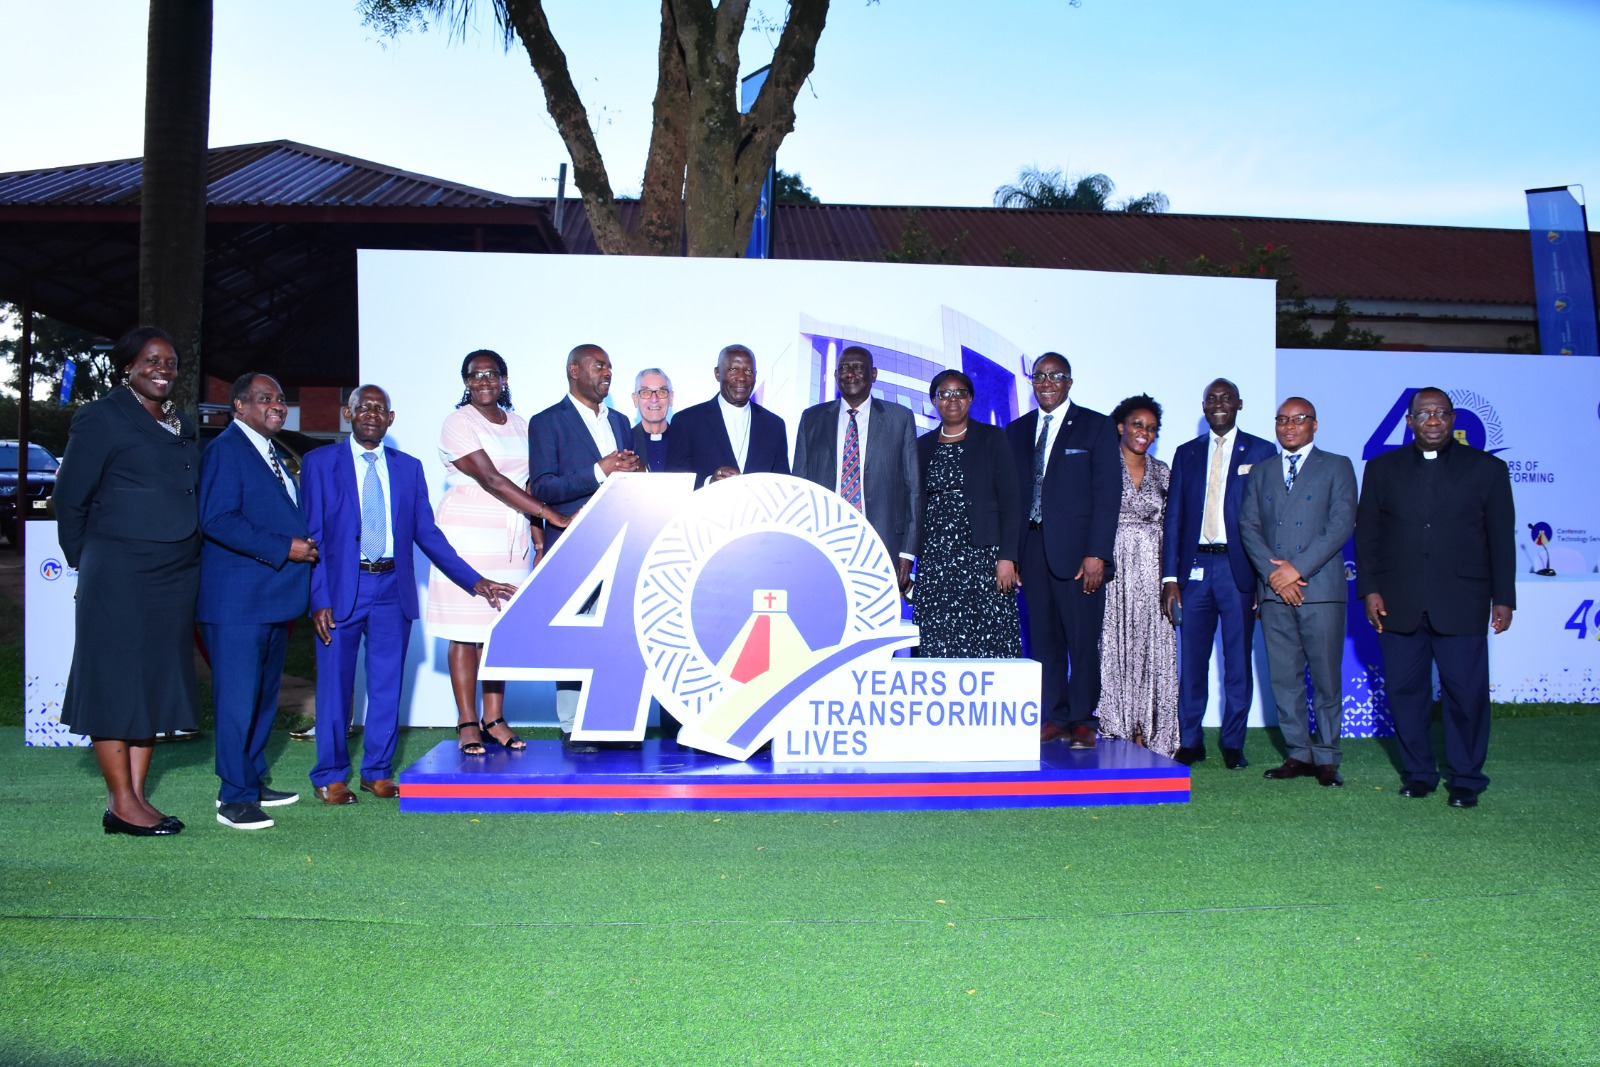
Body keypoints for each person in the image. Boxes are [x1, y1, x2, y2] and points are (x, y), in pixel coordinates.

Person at [303, 385, 519, 804]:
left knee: (387, 685)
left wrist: (476, 581)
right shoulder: (319, 463)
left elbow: (428, 535)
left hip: (390, 588)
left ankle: (377, 773)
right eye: (362, 407)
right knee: (335, 687)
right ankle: (330, 775)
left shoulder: (408, 468)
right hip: (341, 589)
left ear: (391, 419)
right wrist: (318, 598)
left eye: (379, 409)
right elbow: (313, 536)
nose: (371, 414)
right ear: (348, 416)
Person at [53, 326, 198, 836]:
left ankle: (137, 798)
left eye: (171, 361)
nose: (163, 369)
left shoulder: (181, 421)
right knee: (116, 683)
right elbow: (69, 500)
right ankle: (120, 802)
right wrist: (88, 563)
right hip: (118, 571)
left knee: (151, 683)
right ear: (128, 367)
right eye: (152, 360)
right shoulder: (100, 417)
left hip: (174, 574)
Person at [1355, 387, 1515, 809]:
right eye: (1424, 413)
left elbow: (1501, 539)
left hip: (1463, 599)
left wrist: (1505, 597)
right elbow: (1367, 535)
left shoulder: (1488, 470)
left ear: (1453, 420)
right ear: (1409, 422)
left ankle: (1466, 778)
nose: (1432, 420)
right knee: (1406, 694)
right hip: (1397, 601)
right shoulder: (1381, 468)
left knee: (1466, 693)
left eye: (1441, 413)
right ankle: (1419, 773)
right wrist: (1369, 589)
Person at [426, 350, 565, 757]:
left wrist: (538, 539)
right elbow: (490, 478)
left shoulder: (521, 425)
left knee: (497, 634)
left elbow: (532, 484)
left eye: (491, 373)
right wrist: (550, 515)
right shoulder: (458, 422)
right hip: (467, 537)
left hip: (511, 540)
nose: (483, 380)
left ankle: (494, 718)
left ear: (504, 379)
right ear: (465, 381)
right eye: (474, 375)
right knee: (464, 634)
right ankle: (467, 721)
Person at [199, 372, 319, 831]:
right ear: (239, 406)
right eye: (265, 398)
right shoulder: (226, 450)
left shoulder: (271, 452)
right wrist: (284, 547)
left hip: (271, 599)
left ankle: (250, 777)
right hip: (236, 602)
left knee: (263, 698)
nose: (276, 405)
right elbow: (217, 519)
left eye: (281, 399)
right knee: (236, 700)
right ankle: (233, 798)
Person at [1240, 397, 1358, 787]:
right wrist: (1275, 577)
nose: (1289, 427)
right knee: (1284, 678)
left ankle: (1326, 756)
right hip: (1274, 591)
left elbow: (1341, 524)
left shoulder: (1337, 466)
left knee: (1325, 677)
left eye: (1299, 419)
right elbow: (1248, 526)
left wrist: (1296, 570)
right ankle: (1297, 752)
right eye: (1282, 420)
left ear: (1315, 425)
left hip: (1319, 588)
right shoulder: (1262, 470)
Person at [1005, 353, 1120, 749]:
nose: (1047, 382)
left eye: (1055, 375)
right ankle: (1054, 716)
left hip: (1079, 554)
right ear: (1032, 382)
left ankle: (1083, 718)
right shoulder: (1016, 430)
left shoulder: (1096, 426)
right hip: (1032, 549)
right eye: (1039, 375)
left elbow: (1108, 496)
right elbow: (1011, 497)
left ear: (1069, 382)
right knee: (1043, 639)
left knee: (1082, 638)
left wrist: (1097, 553)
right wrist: (1011, 553)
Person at [528, 343, 641, 750]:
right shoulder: (547, 422)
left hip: (622, 542)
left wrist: (635, 470)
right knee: (577, 635)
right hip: (574, 545)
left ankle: (615, 720)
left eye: (610, 365)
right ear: (574, 371)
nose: (607, 371)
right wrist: (600, 470)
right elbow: (541, 486)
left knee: (619, 635)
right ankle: (574, 725)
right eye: (599, 365)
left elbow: (629, 478)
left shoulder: (623, 422)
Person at [1160, 378, 1277, 768]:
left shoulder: (1261, 451)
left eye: (1226, 398)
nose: (1219, 404)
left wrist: (1265, 577)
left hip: (1239, 569)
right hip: (1193, 569)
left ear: (1239, 404)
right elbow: (1173, 518)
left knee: (1237, 661)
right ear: (1204, 406)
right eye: (1212, 399)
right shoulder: (1187, 453)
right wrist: (1170, 578)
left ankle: (1233, 742)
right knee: (1191, 661)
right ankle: (1190, 740)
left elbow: (1269, 519)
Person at [793, 346, 921, 594]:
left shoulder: (900, 418)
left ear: (873, 374)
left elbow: (914, 489)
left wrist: (907, 552)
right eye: (843, 368)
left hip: (883, 544)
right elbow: (800, 486)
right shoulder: (811, 419)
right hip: (824, 541)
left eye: (858, 367)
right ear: (835, 375)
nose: (849, 373)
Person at [913, 370, 1021, 657]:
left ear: (970, 398)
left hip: (983, 555)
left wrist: (1007, 557)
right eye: (944, 393)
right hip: (937, 557)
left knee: (987, 635)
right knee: (938, 634)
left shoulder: (992, 438)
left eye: (960, 393)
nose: (952, 399)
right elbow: (913, 501)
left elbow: (1011, 500)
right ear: (934, 401)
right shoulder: (921, 446)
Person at [1097, 394, 1179, 757]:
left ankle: (1152, 729)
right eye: (1136, 425)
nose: (1143, 432)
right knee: (1113, 644)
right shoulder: (1102, 466)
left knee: (1153, 648)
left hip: (1153, 571)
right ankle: (1117, 726)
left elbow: (1172, 526)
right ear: (1120, 426)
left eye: (1150, 427)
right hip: (1112, 570)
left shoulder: (1163, 471)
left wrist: (1170, 578)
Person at [665, 344, 789, 484]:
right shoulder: (686, 421)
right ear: (717, 373)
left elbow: (782, 484)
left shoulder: (774, 425)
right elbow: (673, 484)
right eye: (733, 369)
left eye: (748, 371)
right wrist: (708, 483)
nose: (741, 377)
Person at [630, 368, 674, 471]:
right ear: (635, 399)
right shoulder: (626, 442)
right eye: (645, 392)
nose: (654, 399)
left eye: (661, 392)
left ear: (671, 398)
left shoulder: (684, 441)